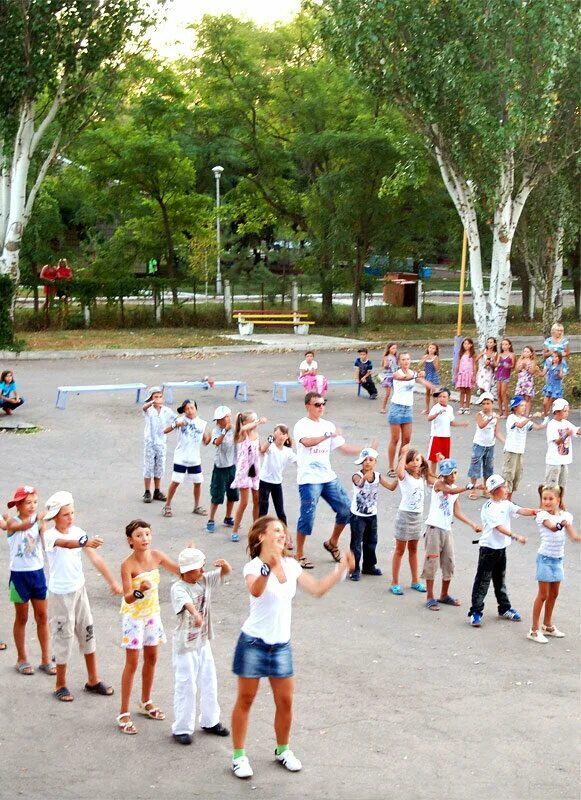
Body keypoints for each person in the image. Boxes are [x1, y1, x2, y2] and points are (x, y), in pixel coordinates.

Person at [230, 516, 355, 779]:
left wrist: (341, 570)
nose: (282, 535)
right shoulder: (253, 566)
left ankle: (283, 750)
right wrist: (268, 567)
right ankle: (239, 756)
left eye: (283, 531)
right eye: (276, 530)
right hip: (253, 643)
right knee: (246, 700)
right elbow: (255, 591)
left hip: (281, 646)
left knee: (285, 702)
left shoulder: (291, 565)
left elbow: (318, 589)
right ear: (261, 536)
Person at [43, 490, 121, 702]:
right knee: (63, 636)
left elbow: (95, 559)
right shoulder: (51, 536)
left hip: (79, 591)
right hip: (60, 595)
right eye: (66, 514)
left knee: (87, 631)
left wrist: (112, 581)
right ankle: (60, 683)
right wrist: (84, 542)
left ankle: (93, 680)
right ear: (55, 517)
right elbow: (67, 544)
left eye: (72, 513)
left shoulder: (78, 532)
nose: (71, 517)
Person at [117, 519, 180, 735]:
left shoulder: (157, 556)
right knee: (132, 663)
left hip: (152, 616)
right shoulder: (127, 565)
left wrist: (192, 558)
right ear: (130, 541)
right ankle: (123, 712)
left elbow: (180, 571)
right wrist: (139, 591)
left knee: (152, 659)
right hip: (134, 618)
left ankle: (146, 701)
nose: (144, 539)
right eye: (139, 535)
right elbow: (127, 597)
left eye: (147, 534)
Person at [293, 392, 366, 569]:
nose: (321, 407)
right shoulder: (301, 425)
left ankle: (332, 542)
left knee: (347, 510)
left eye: (323, 403)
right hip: (309, 479)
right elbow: (307, 442)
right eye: (317, 404)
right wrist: (327, 435)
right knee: (307, 516)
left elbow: (343, 448)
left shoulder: (328, 425)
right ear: (307, 406)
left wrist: (364, 450)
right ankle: (299, 554)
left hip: (327, 477)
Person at [171, 547, 232, 745]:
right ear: (187, 571)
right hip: (186, 644)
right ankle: (182, 727)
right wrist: (195, 614)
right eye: (199, 568)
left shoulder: (203, 580)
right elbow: (186, 603)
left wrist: (224, 565)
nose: (203, 571)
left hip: (202, 640)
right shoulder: (178, 588)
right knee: (186, 684)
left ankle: (210, 720)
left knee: (209, 680)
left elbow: (225, 574)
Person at [467, 475, 537, 627]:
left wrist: (536, 512)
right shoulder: (489, 508)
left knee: (500, 581)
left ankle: (504, 608)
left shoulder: (506, 504)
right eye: (504, 487)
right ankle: (475, 611)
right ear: (495, 490)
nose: (507, 489)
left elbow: (520, 510)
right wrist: (516, 536)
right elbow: (499, 527)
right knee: (482, 582)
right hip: (488, 550)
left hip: (501, 549)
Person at [4, 486, 53, 676]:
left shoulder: (38, 522)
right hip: (19, 576)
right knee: (22, 617)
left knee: (42, 616)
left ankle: (45, 659)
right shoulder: (12, 523)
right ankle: (21, 658)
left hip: (37, 574)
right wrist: (37, 519)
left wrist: (44, 528)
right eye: (27, 502)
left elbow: (45, 543)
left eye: (34, 502)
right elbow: (22, 527)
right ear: (18, 505)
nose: (32, 506)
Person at [421, 459, 482, 610]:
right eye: (451, 474)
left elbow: (457, 512)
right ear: (443, 475)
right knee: (432, 563)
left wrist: (472, 524)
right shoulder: (438, 484)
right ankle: (430, 596)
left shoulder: (454, 488)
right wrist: (471, 486)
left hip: (447, 530)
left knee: (449, 563)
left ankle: (444, 594)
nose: (454, 476)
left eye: (455, 472)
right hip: (434, 529)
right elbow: (450, 491)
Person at [527, 484, 580, 644]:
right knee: (543, 595)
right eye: (544, 498)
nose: (547, 502)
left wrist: (566, 526)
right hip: (544, 558)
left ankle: (547, 625)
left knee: (554, 594)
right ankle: (534, 630)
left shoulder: (566, 516)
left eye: (551, 499)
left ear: (558, 499)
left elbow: (574, 537)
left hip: (558, 559)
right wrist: (560, 524)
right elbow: (552, 528)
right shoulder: (542, 515)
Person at [390, 445, 434, 596]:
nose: (415, 463)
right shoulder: (404, 477)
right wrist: (403, 455)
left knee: (414, 549)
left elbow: (433, 479)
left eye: (417, 459)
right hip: (405, 516)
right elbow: (399, 471)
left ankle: (415, 580)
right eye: (411, 461)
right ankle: (394, 582)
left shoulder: (421, 476)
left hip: (417, 517)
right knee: (400, 550)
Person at [349, 447, 395, 581]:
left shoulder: (378, 476)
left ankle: (369, 566)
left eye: (371, 460)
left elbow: (391, 487)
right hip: (358, 516)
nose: (367, 462)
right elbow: (359, 484)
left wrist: (400, 478)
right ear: (361, 462)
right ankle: (354, 569)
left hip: (372, 514)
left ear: (375, 462)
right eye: (365, 460)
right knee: (356, 543)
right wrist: (364, 478)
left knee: (371, 542)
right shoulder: (357, 475)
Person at [162, 399, 211, 518]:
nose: (189, 411)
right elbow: (165, 430)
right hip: (181, 457)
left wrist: (210, 436)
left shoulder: (202, 424)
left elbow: (205, 442)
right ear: (184, 410)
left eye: (191, 408)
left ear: (196, 409)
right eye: (187, 409)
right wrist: (175, 425)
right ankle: (167, 505)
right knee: (176, 482)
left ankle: (196, 506)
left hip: (194, 458)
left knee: (198, 482)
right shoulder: (180, 420)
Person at [387, 352, 432, 475]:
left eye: (408, 359)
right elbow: (404, 378)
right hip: (396, 408)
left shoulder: (413, 373)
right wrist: (417, 375)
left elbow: (423, 381)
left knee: (406, 440)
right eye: (403, 359)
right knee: (395, 439)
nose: (406, 361)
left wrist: (432, 386)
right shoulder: (397, 373)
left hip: (408, 409)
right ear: (399, 361)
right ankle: (391, 467)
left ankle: (401, 465)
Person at [230, 411, 268, 543]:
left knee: (257, 500)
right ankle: (235, 530)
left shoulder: (256, 435)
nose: (255, 423)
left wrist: (270, 443)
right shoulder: (243, 434)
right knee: (244, 502)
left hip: (255, 471)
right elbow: (244, 428)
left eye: (256, 420)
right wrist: (258, 422)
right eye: (252, 420)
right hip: (243, 472)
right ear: (245, 422)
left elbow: (261, 450)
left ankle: (255, 529)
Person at [501, 396, 547, 500]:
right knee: (508, 475)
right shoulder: (512, 418)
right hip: (511, 451)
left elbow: (537, 427)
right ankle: (505, 500)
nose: (523, 408)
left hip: (520, 452)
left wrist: (545, 420)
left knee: (516, 476)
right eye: (521, 405)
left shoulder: (525, 420)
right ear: (515, 407)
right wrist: (530, 417)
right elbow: (520, 425)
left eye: (524, 406)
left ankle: (509, 499)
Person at [206, 405, 238, 533]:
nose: (228, 419)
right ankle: (211, 519)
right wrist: (225, 431)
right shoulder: (217, 431)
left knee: (232, 494)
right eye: (226, 417)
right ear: (219, 420)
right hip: (220, 467)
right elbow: (217, 442)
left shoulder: (234, 429)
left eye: (229, 416)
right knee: (217, 495)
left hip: (232, 466)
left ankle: (228, 517)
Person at [467, 392, 504, 500]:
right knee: (475, 467)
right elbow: (481, 425)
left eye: (488, 403)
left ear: (492, 404)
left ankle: (486, 489)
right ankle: (473, 488)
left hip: (490, 445)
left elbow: (497, 432)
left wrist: (504, 442)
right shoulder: (480, 415)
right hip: (479, 444)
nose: (486, 406)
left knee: (489, 468)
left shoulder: (495, 417)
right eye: (483, 404)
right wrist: (490, 418)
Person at [258, 424, 297, 527]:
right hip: (265, 481)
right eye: (279, 433)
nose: (281, 436)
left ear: (287, 436)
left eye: (283, 434)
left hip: (277, 482)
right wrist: (270, 440)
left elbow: (297, 461)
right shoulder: (271, 447)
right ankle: (259, 534)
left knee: (280, 511)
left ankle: (286, 534)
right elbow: (262, 449)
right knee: (263, 510)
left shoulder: (287, 451)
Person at [142, 386, 175, 504]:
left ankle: (157, 490)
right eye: (155, 397)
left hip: (161, 442)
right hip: (150, 442)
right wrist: (152, 402)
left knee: (159, 467)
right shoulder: (149, 410)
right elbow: (144, 408)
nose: (158, 399)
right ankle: (147, 491)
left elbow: (175, 419)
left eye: (160, 396)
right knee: (148, 466)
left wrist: (174, 427)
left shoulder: (166, 411)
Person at [427, 387, 468, 474]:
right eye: (440, 397)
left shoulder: (450, 408)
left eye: (444, 397)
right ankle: (432, 476)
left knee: (445, 458)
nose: (442, 399)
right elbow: (429, 418)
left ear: (449, 398)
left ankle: (444, 476)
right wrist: (437, 413)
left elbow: (451, 422)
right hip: (436, 436)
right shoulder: (436, 408)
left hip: (446, 436)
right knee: (434, 459)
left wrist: (462, 424)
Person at [544, 399, 580, 489]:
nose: (567, 413)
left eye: (568, 411)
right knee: (551, 487)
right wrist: (566, 434)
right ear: (556, 411)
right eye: (564, 411)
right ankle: (548, 502)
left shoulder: (566, 423)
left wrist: (574, 431)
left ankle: (561, 501)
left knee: (562, 485)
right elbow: (557, 441)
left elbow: (577, 430)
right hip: (554, 461)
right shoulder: (552, 425)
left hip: (564, 461)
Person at [514, 346, 539, 418]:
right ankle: (520, 413)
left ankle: (526, 414)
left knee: (527, 398)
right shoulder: (520, 360)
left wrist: (526, 367)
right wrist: (520, 367)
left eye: (527, 352)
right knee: (520, 397)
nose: (525, 353)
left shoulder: (532, 361)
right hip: (521, 381)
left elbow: (532, 372)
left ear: (531, 353)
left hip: (528, 381)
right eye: (524, 351)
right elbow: (516, 370)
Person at [454, 337, 476, 413]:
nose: (466, 345)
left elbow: (474, 365)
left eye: (468, 344)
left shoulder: (472, 354)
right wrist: (456, 374)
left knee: (468, 391)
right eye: (464, 343)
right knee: (462, 391)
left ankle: (467, 407)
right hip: (461, 374)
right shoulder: (461, 353)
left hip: (469, 374)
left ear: (471, 345)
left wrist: (474, 375)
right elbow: (458, 364)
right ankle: (461, 407)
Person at [495, 338, 515, 417]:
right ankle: (500, 411)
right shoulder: (500, 355)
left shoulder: (512, 354)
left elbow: (513, 365)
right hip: (498, 374)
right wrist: (493, 362)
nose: (504, 346)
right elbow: (496, 364)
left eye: (506, 344)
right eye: (503, 344)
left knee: (503, 393)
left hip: (505, 375)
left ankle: (506, 412)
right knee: (498, 393)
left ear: (509, 345)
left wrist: (509, 366)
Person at [542, 350, 566, 415]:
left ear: (559, 358)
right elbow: (543, 373)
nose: (554, 358)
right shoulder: (549, 365)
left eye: (556, 357)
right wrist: (537, 370)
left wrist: (558, 374)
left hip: (556, 386)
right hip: (549, 386)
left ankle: (546, 415)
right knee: (544, 403)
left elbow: (561, 376)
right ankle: (546, 413)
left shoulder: (560, 366)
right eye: (553, 357)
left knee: (551, 400)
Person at [418, 343, 440, 414]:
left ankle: (435, 409)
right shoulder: (425, 356)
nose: (431, 349)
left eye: (433, 348)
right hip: (427, 375)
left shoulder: (436, 357)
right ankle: (427, 408)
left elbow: (436, 368)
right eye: (430, 348)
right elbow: (419, 365)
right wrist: (424, 359)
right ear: (428, 348)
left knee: (434, 393)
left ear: (436, 350)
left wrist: (433, 361)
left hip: (433, 375)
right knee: (427, 392)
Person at [380, 343, 398, 414]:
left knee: (396, 393)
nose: (395, 350)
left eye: (395, 348)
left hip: (395, 376)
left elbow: (397, 366)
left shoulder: (395, 357)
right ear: (389, 349)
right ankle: (383, 407)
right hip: (388, 376)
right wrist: (387, 365)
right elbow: (385, 366)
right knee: (387, 394)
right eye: (393, 348)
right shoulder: (386, 357)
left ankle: (395, 408)